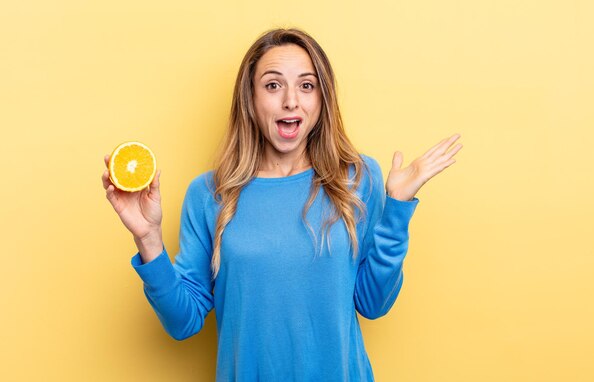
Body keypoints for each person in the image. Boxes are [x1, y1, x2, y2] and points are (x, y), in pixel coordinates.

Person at [101, 28, 462, 381]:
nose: (291, 100)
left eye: (307, 86)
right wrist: (148, 239)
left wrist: (397, 209)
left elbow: (373, 303)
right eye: (273, 85)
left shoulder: (357, 178)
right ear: (251, 99)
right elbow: (183, 321)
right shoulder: (210, 194)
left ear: (322, 100)